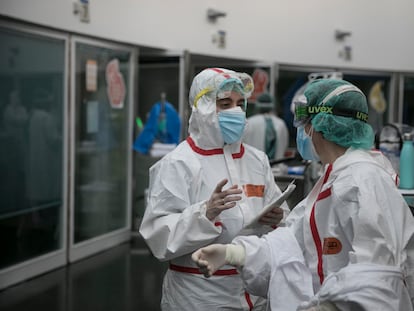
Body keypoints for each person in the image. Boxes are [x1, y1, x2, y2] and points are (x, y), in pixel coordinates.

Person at [192, 78, 414, 311]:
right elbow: (292, 243)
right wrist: (234, 253)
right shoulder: (333, 177)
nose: (302, 131)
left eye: (303, 122)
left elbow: (379, 273)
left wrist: (331, 307)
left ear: (318, 125)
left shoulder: (363, 181)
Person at [139, 68, 290, 311]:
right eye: (225, 103)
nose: (236, 111)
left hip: (256, 293)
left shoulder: (256, 160)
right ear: (204, 106)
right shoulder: (178, 163)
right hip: (200, 296)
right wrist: (205, 214)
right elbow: (158, 238)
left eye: (240, 103)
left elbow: (284, 221)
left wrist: (277, 218)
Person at [244, 92, 289, 161]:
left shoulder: (249, 122)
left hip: (253, 167)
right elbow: (284, 146)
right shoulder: (281, 124)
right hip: (277, 168)